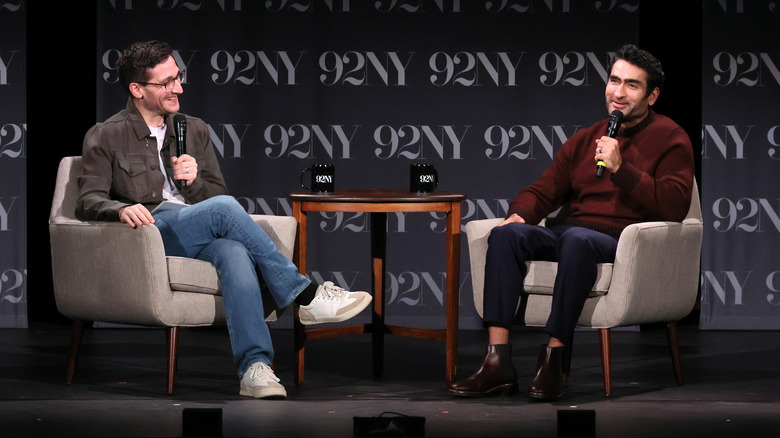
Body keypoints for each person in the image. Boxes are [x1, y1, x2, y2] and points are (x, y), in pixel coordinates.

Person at [76, 40, 373, 400]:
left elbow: (215, 195)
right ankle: (306, 295)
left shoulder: (193, 129)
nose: (178, 89)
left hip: (192, 225)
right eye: (166, 82)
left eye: (179, 78)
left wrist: (193, 181)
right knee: (225, 209)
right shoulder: (107, 134)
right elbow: (88, 200)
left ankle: (254, 369)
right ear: (137, 89)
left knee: (233, 250)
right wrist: (120, 209)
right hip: (149, 235)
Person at [449, 44, 694, 400]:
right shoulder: (585, 139)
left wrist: (620, 169)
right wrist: (520, 214)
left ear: (652, 95)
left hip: (619, 240)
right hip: (570, 234)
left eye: (632, 85)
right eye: (614, 81)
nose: (619, 92)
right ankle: (497, 361)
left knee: (577, 239)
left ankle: (553, 358)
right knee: (507, 236)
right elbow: (544, 190)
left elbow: (674, 205)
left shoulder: (671, 138)